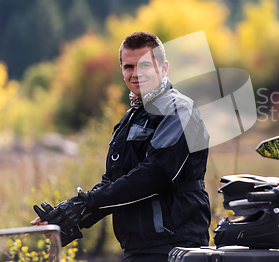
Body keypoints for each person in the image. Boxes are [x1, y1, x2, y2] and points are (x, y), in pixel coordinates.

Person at [32, 31, 211, 262]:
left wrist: (86, 203)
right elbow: (114, 183)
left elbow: (155, 176)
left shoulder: (178, 109)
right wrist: (73, 214)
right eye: (129, 67)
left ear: (164, 68)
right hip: (137, 249)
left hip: (175, 248)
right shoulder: (129, 119)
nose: (136, 74)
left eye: (145, 65)